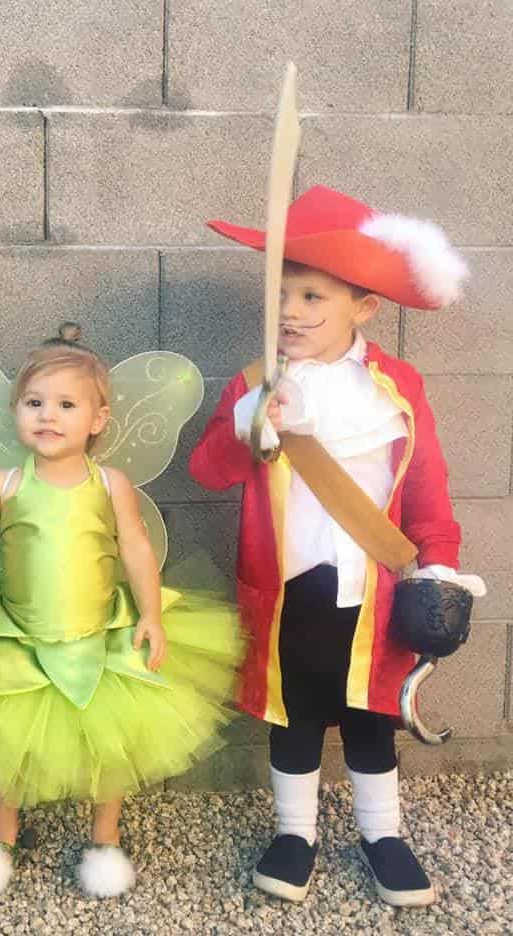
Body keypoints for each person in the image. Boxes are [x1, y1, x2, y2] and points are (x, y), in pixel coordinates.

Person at [189, 185, 485, 907]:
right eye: (282, 294)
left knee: (371, 715)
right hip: (285, 589)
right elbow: (208, 472)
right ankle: (295, 835)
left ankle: (383, 836)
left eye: (312, 296)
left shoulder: (398, 386)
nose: (290, 312)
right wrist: (248, 423)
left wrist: (438, 561)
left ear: (364, 307)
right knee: (292, 714)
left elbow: (426, 486)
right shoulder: (252, 385)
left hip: (374, 586)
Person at [0, 326, 243, 899]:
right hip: (18, 636)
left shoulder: (111, 483)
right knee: (6, 744)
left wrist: (151, 615)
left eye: (66, 405)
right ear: (15, 411)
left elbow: (136, 549)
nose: (48, 416)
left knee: (109, 745)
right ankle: (4, 837)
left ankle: (105, 837)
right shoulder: (4, 485)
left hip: (98, 635)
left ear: (98, 419)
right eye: (34, 403)